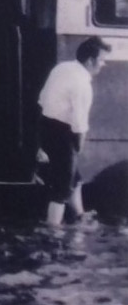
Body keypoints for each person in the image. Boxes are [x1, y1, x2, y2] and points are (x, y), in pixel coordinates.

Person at [37, 36, 112, 227]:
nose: (104, 64)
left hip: (46, 124)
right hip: (64, 132)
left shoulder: (62, 68)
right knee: (62, 187)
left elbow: (42, 99)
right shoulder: (82, 85)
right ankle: (52, 227)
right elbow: (79, 125)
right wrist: (78, 147)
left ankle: (79, 213)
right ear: (90, 61)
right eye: (102, 60)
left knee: (74, 177)